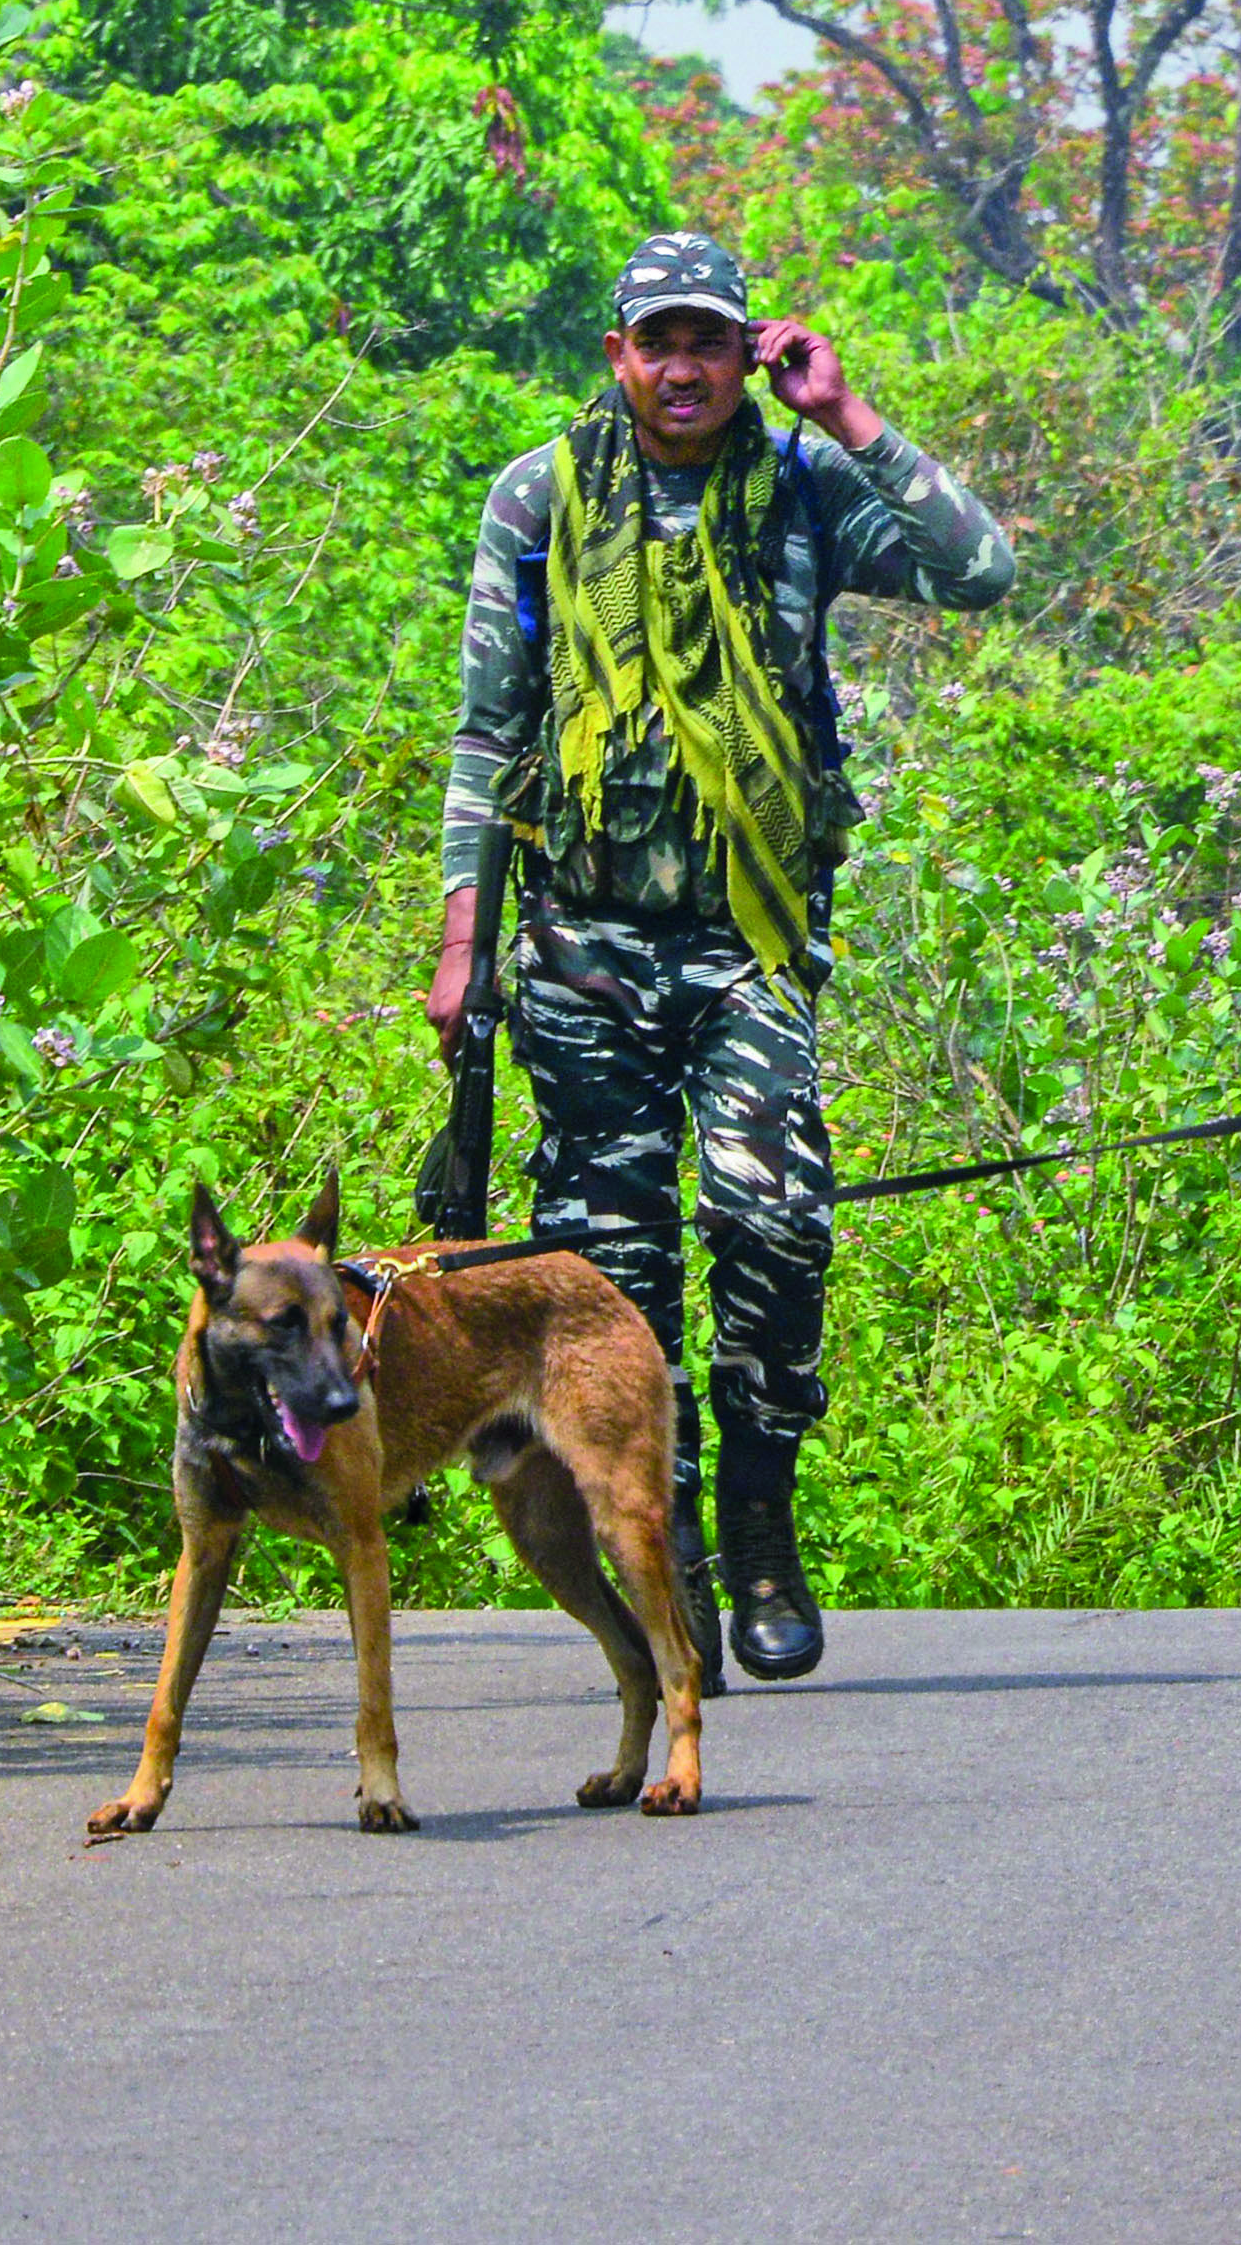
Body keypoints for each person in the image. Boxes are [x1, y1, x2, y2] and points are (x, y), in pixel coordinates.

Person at [423, 230, 1016, 1689]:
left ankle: (760, 1512)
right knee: (610, 1270)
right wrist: (463, 940)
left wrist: (847, 413)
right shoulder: (539, 497)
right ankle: (665, 1541)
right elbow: (489, 732)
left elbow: (983, 568)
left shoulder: (805, 485)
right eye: (656, 341)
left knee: (775, 1221)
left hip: (751, 937)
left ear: (744, 349)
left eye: (709, 340)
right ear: (617, 354)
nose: (681, 368)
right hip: (579, 940)